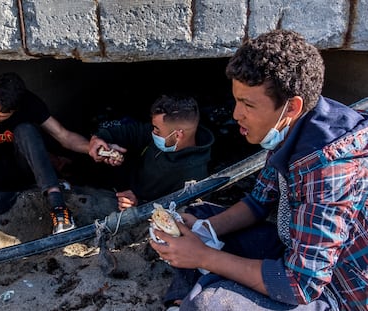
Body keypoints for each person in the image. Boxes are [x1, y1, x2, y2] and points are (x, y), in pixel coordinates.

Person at [150, 29, 368, 311]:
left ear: (291, 107)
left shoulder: (330, 169)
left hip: (333, 292)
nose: (236, 114)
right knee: (196, 218)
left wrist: (203, 256)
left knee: (211, 304)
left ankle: (197, 293)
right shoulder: (294, 128)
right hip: (293, 248)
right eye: (237, 100)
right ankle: (182, 300)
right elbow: (258, 201)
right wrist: (206, 229)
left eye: (248, 104)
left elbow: (301, 284)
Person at [0, 72, 92, 235]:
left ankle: (58, 206)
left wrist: (91, 147)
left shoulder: (28, 103)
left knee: (25, 129)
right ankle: (30, 196)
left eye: (1, 116)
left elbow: (64, 136)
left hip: (25, 164)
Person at [88, 94, 214, 212]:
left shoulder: (195, 179)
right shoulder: (162, 133)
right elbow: (133, 131)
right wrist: (99, 138)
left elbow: (177, 214)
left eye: (157, 130)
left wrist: (139, 204)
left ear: (177, 135)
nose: (153, 132)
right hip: (120, 183)